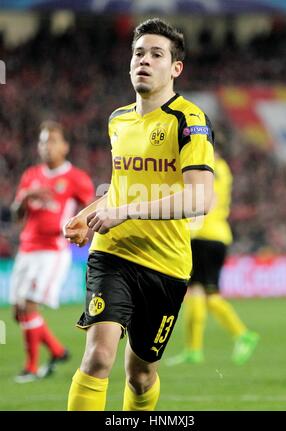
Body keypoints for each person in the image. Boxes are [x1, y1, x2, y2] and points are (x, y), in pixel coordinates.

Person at [63, 18, 215, 411]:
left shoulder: (189, 121)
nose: (144, 60)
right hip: (112, 255)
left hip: (166, 267)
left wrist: (126, 210)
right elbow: (120, 186)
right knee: (98, 357)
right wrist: (90, 212)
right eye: (138, 52)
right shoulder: (118, 119)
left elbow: (199, 198)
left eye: (156, 54)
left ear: (175, 68)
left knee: (140, 374)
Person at [10, 121, 95, 383]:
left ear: (65, 146)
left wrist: (81, 232)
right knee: (18, 310)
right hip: (27, 249)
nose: (47, 147)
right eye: (43, 141)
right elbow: (16, 215)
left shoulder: (76, 178)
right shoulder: (31, 175)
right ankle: (58, 351)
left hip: (52, 251)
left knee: (29, 306)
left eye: (53, 141)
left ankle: (32, 368)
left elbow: (90, 209)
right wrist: (25, 197)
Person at [166, 133, 259, 367]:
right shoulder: (220, 168)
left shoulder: (212, 167)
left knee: (210, 294)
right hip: (209, 236)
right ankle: (193, 350)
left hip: (207, 236)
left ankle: (243, 334)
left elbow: (204, 199)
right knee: (196, 293)